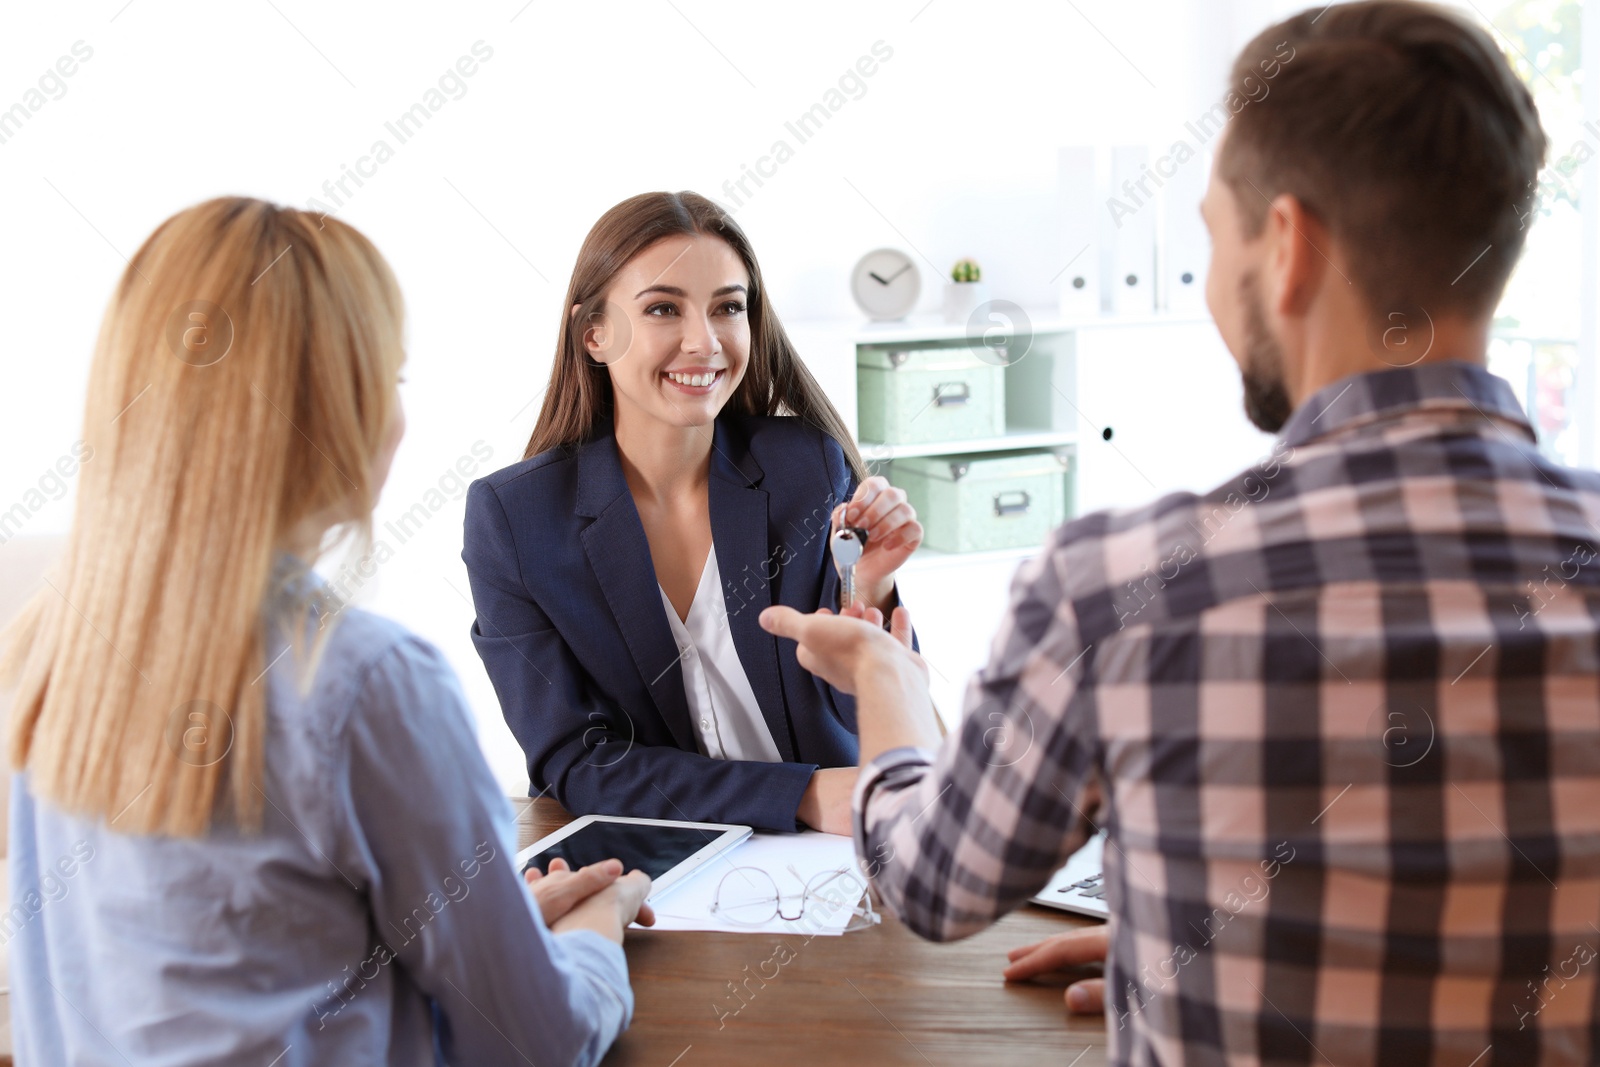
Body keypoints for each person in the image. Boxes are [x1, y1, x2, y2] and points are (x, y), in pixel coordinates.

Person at [760, 2, 1600, 1061]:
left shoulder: (1122, 584)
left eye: (1214, 234)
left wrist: (884, 675)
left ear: (1286, 246)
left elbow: (931, 882)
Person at [1, 198, 652, 1065]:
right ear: (336, 409)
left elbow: (224, 969)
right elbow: (534, 1043)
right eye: (393, 378)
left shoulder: (47, 646)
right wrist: (594, 937)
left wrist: (497, 932)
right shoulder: (363, 678)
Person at [462, 191, 922, 835]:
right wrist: (803, 795)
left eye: (728, 308)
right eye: (662, 308)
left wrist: (866, 591)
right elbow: (575, 760)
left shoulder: (806, 469)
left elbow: (869, 716)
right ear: (593, 334)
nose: (704, 342)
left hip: (835, 855)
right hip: (659, 866)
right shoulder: (514, 520)